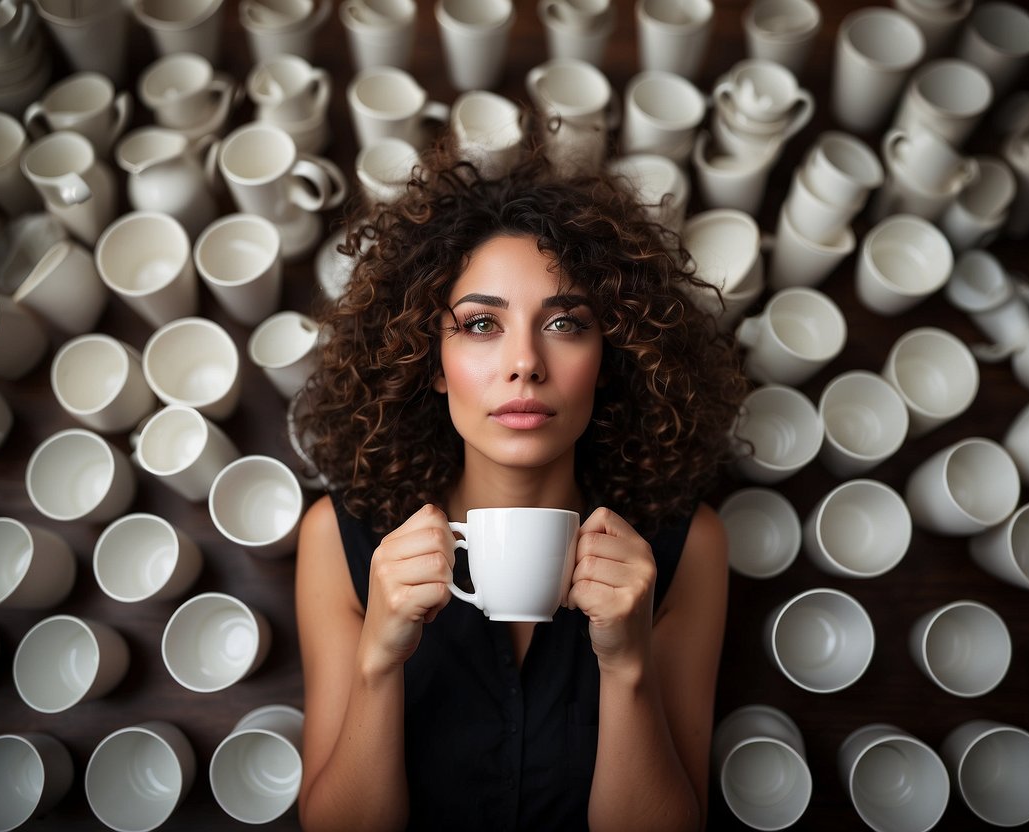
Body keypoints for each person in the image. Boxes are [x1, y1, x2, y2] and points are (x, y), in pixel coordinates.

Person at [292, 142, 748, 831]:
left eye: (565, 324)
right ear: (433, 361)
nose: (525, 364)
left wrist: (627, 667)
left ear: (608, 357)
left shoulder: (685, 547)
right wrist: (377, 664)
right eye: (481, 325)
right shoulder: (340, 538)